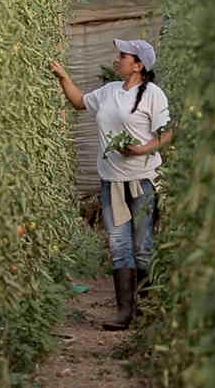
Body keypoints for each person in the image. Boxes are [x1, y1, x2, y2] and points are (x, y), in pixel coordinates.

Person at [51, 39, 173, 330]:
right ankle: (124, 313)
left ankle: (144, 310)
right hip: (113, 182)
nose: (117, 59)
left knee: (142, 246)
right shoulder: (109, 92)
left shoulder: (153, 94)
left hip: (143, 181)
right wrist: (64, 77)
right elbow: (80, 102)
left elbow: (167, 133)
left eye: (123, 56)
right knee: (120, 246)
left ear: (139, 65)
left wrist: (142, 149)